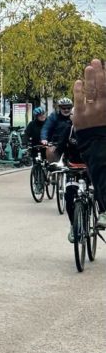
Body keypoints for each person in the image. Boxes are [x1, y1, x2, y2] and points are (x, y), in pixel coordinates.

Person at [71, 59, 106, 229]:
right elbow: (59, 145)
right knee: (71, 191)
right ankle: (75, 227)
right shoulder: (65, 126)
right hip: (77, 164)